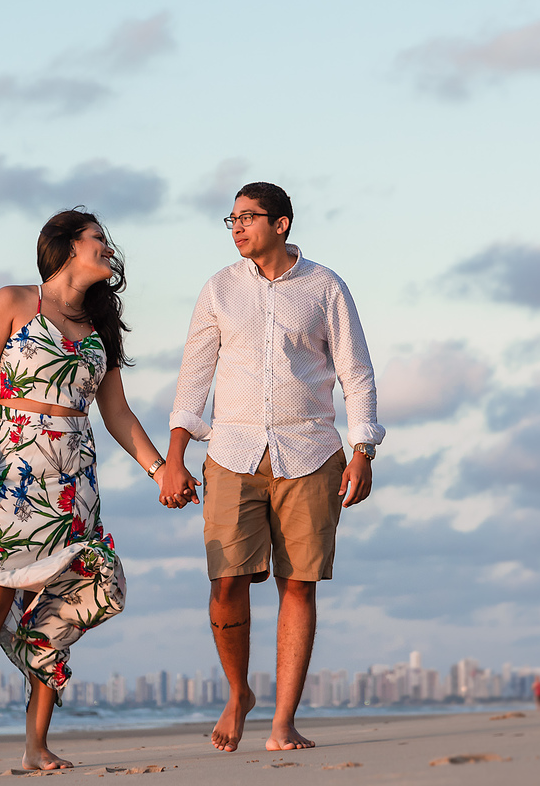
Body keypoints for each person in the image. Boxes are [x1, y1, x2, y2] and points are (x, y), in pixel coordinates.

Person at [0, 209, 199, 775]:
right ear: (66, 245)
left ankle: (36, 746)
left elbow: (117, 412)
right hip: (9, 469)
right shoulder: (13, 302)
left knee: (53, 611)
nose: (108, 247)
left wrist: (161, 471)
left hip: (72, 483)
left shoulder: (100, 327)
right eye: (98, 238)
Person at [160, 182, 385, 753]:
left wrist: (363, 449)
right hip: (231, 452)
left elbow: (355, 372)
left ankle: (284, 722)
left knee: (299, 584)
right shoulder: (219, 288)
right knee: (225, 580)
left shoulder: (325, 286)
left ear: (281, 224)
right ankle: (239, 693)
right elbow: (194, 376)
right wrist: (175, 456)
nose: (236, 227)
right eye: (230, 219)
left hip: (310, 452)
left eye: (248, 217)